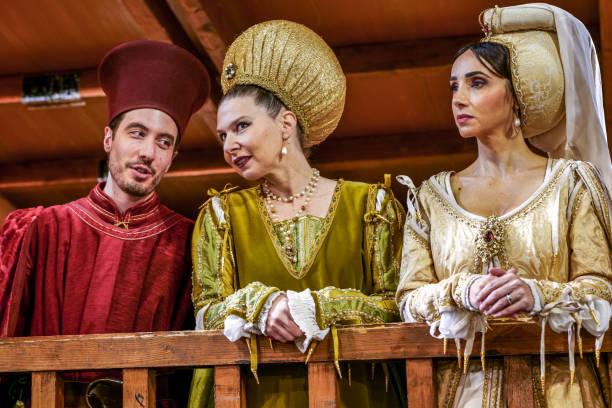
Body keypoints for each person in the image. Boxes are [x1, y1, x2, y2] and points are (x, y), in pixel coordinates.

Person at [396, 4, 612, 407]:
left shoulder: (570, 183)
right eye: (453, 86)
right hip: (461, 392)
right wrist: (464, 289)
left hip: (561, 389)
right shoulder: (431, 198)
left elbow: (600, 286)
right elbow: (408, 297)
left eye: (477, 83)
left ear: (518, 94)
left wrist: (536, 294)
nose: (458, 98)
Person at [189, 20, 405, 408]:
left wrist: (315, 309)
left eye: (241, 126)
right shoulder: (221, 215)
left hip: (357, 394)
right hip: (254, 396)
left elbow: (396, 306)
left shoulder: (371, 206)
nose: (230, 145)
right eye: (223, 135)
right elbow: (206, 312)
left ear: (286, 123)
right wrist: (261, 305)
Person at [0, 40, 210, 407]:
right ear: (108, 138)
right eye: (137, 133)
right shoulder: (41, 228)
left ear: (172, 158)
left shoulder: (190, 241)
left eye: (164, 142)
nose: (148, 152)